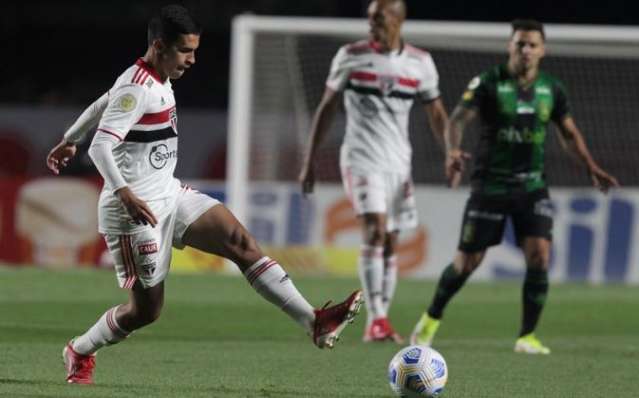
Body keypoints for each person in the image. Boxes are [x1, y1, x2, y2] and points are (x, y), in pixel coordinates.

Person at [46, 5, 362, 385]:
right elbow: (101, 147)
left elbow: (105, 101)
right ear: (160, 46)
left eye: (195, 50)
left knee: (241, 241)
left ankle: (314, 321)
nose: (193, 60)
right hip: (133, 211)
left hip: (169, 193)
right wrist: (125, 192)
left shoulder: (149, 77)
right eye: (185, 51)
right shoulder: (139, 88)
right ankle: (80, 349)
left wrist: (68, 138)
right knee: (146, 312)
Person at [410, 19, 619, 354]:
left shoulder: (552, 89)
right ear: (510, 46)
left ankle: (527, 336)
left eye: (532, 44)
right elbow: (457, 120)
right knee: (466, 264)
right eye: (520, 43)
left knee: (539, 256)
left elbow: (568, 134)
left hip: (532, 186)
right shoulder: (489, 83)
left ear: (543, 50)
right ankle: (430, 319)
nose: (526, 50)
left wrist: (592, 168)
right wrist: (452, 150)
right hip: (490, 185)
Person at [299, 0, 448, 343]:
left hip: (399, 163)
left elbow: (436, 112)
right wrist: (309, 161)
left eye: (378, 18)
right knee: (376, 230)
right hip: (361, 159)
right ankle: (377, 318)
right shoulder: (350, 55)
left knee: (392, 240)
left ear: (398, 20)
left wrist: (451, 150)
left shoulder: (420, 62)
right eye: (368, 18)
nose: (370, 24)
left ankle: (380, 318)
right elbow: (327, 106)